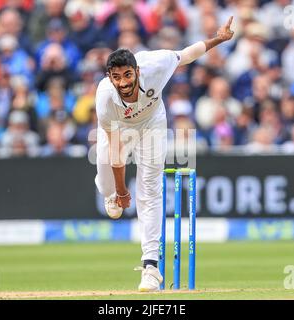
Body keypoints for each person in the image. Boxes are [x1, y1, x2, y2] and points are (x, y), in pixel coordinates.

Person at [94, 16, 234, 292]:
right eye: (116, 77)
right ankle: (108, 192)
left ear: (137, 70)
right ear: (110, 78)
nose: (123, 83)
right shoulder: (105, 97)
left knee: (150, 189)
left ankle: (150, 267)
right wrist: (121, 193)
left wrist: (219, 38)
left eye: (128, 75)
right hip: (118, 128)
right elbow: (117, 152)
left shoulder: (155, 64)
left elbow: (187, 54)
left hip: (152, 124)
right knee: (105, 174)